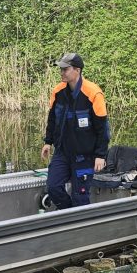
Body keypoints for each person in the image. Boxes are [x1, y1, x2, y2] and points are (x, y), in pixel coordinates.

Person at [40, 53, 110, 209]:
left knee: (80, 197)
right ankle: (69, 214)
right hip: (62, 152)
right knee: (53, 187)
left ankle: (79, 224)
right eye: (61, 69)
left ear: (77, 70)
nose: (62, 72)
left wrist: (100, 155)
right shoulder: (58, 92)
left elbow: (103, 129)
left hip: (84, 156)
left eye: (66, 69)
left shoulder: (93, 93)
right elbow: (52, 119)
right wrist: (48, 142)